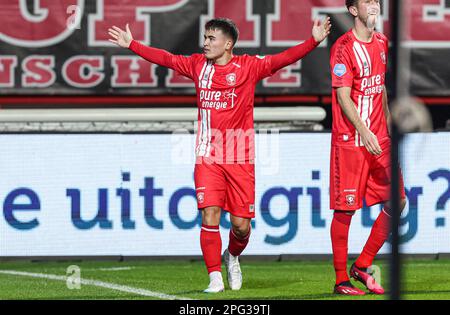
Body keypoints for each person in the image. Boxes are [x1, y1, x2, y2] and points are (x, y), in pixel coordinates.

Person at [108, 17, 331, 293]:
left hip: (240, 156)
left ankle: (233, 256)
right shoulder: (197, 66)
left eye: (211, 38)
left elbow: (282, 59)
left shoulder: (249, 66)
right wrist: (132, 45)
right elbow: (166, 58)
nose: (205, 43)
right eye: (205, 37)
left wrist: (313, 41)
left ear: (228, 44)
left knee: (241, 227)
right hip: (208, 156)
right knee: (209, 214)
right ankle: (214, 277)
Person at [329, 0, 407, 295]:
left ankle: (362, 265)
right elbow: (343, 96)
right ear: (353, 10)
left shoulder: (382, 42)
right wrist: (364, 130)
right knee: (345, 210)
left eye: (376, 0)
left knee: (397, 200)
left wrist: (387, 125)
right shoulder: (343, 48)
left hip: (380, 139)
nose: (374, 5)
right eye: (367, 1)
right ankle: (340, 280)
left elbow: (381, 85)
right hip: (351, 141)